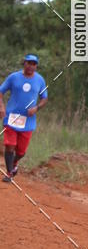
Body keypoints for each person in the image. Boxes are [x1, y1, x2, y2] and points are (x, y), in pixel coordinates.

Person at [1, 54, 48, 183]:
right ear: (24, 63)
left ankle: (15, 162)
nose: (31, 66)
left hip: (28, 121)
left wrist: (37, 108)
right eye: (29, 63)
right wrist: (1, 106)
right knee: (10, 145)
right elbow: (1, 91)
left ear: (36, 66)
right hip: (11, 117)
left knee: (21, 151)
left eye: (34, 64)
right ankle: (9, 173)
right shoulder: (14, 77)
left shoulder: (40, 80)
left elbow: (44, 98)